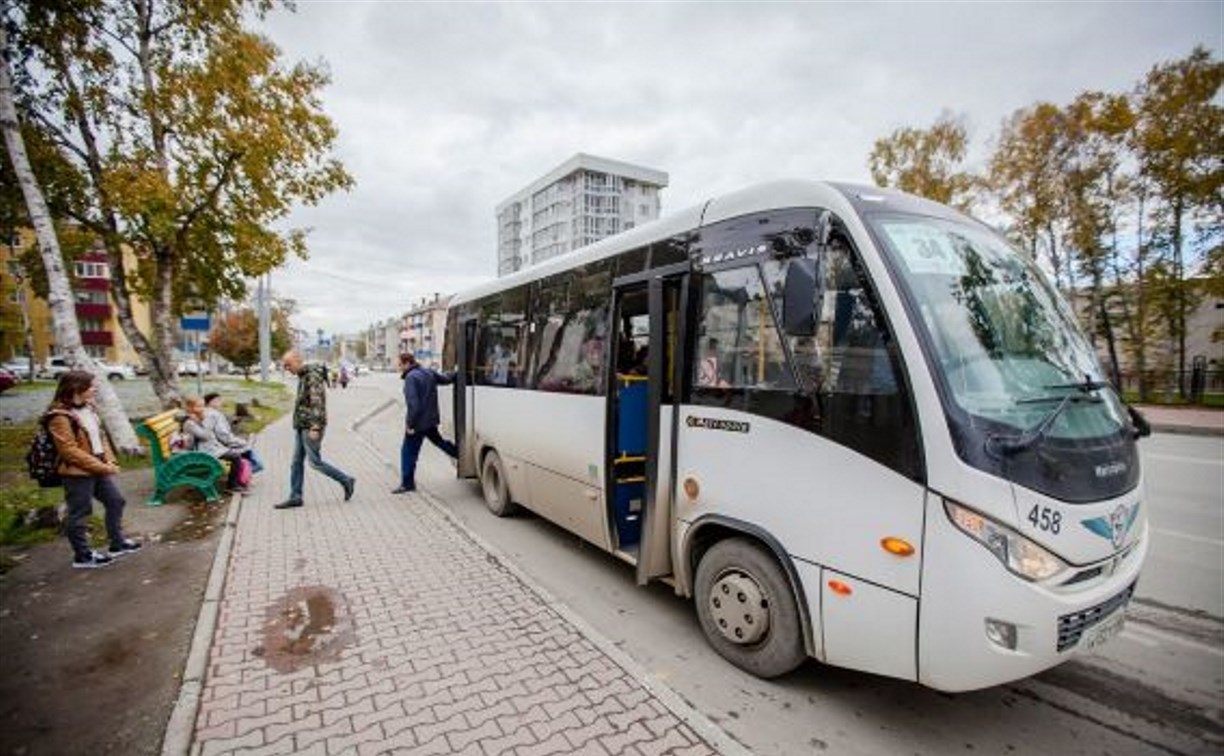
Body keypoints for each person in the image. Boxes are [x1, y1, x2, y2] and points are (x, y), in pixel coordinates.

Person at [45, 370, 140, 569]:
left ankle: (117, 543)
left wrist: (110, 461)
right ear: (76, 388)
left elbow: (101, 438)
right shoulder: (59, 417)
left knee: (116, 501)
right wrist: (102, 466)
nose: (94, 389)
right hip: (77, 472)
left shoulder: (89, 408)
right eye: (90, 386)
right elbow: (69, 451)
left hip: (98, 467)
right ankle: (83, 556)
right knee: (80, 512)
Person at [277, 350, 356, 509]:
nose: (286, 368)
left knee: (315, 462)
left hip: (311, 426)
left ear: (298, 360)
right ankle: (296, 496)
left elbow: (317, 402)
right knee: (296, 462)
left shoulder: (312, 375)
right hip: (302, 424)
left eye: (288, 364)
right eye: (284, 365)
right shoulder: (304, 374)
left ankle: (346, 480)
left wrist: (315, 426)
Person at [394, 351, 458, 494]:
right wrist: (458, 373)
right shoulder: (428, 372)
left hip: (418, 424)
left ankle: (407, 483)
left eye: (400, 365)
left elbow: (414, 405)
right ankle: (460, 453)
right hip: (430, 421)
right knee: (440, 442)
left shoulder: (411, 378)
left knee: (408, 452)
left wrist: (410, 425)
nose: (399, 368)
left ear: (407, 363)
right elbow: (446, 379)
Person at [182, 397, 250, 493]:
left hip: (209, 448)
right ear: (190, 408)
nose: (202, 409)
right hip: (201, 452)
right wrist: (210, 422)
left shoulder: (198, 419)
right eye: (198, 406)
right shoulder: (189, 423)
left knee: (238, 452)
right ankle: (232, 485)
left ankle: (239, 481)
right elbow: (205, 436)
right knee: (235, 456)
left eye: (203, 406)